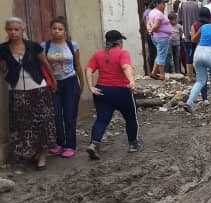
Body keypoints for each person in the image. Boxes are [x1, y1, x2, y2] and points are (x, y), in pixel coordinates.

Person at [0, 17, 56, 169]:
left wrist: (53, 81)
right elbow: (2, 67)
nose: (13, 32)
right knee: (22, 124)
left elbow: (45, 63)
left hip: (38, 88)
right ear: (6, 30)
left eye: (16, 29)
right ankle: (31, 153)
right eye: (10, 29)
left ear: (22, 30)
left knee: (41, 123)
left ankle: (42, 155)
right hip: (17, 91)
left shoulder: (33, 46)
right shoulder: (3, 48)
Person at [85, 30, 139, 160]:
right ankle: (133, 144)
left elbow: (89, 69)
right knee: (131, 117)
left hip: (102, 91)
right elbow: (126, 67)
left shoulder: (98, 54)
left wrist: (91, 87)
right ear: (119, 42)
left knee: (102, 119)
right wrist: (131, 81)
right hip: (121, 91)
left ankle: (94, 144)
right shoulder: (123, 53)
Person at [43, 17, 84, 158]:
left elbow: (77, 65)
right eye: (54, 28)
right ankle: (59, 144)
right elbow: (42, 66)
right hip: (53, 85)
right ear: (50, 30)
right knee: (56, 115)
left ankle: (70, 145)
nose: (57, 31)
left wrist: (82, 82)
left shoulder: (72, 45)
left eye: (60, 29)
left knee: (69, 115)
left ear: (65, 31)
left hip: (70, 83)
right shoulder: (44, 46)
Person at [177, 0, 201, 79]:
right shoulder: (198, 5)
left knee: (189, 54)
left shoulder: (181, 5)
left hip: (187, 35)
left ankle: (190, 76)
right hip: (198, 35)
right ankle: (199, 73)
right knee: (198, 54)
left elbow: (179, 21)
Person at [147, 0, 172, 80]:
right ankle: (162, 75)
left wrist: (151, 31)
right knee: (162, 55)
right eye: (162, 3)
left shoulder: (151, 12)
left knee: (159, 54)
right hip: (162, 37)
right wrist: (151, 30)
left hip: (156, 36)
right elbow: (156, 25)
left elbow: (149, 24)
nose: (164, 5)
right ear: (157, 4)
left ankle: (154, 72)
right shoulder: (158, 14)